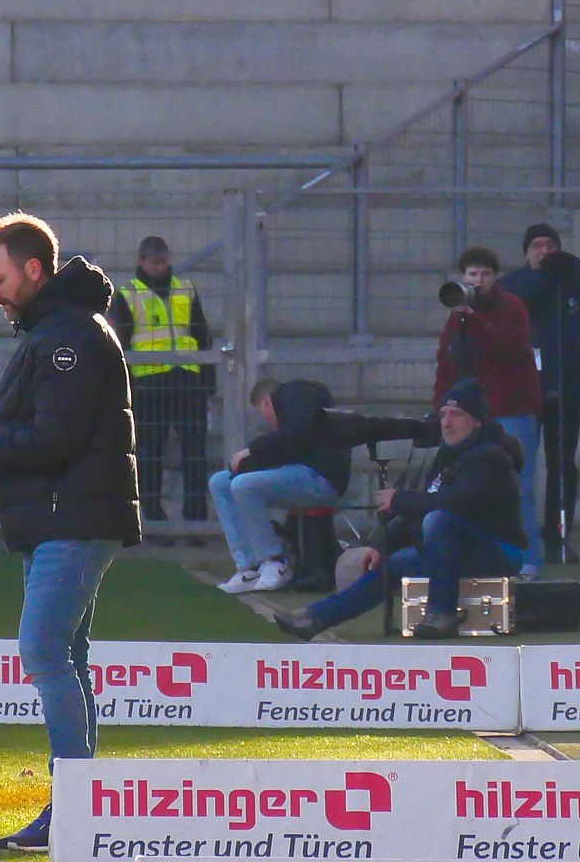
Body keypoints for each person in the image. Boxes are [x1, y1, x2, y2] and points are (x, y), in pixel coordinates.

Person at [0, 213, 139, 854]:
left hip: (73, 521)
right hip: (61, 517)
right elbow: (49, 440)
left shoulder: (68, 336)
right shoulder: (58, 330)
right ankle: (81, 803)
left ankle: (70, 806)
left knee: (44, 651)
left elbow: (56, 439)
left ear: (34, 270)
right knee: (67, 656)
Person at [273, 380, 526, 640]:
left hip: (499, 551)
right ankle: (315, 617)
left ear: (478, 421)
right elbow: (422, 511)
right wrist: (381, 545)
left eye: (457, 415)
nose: (447, 423)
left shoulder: (491, 458)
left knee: (439, 520)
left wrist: (399, 500)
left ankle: (441, 614)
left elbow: (453, 505)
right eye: (443, 415)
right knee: (392, 564)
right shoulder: (451, 455)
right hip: (456, 550)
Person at [500, 222, 580, 564]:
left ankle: (558, 535)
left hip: (567, 387)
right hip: (525, 391)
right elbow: (520, 302)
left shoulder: (572, 277)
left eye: (551, 245)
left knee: (562, 465)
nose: (545, 251)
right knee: (520, 465)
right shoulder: (515, 282)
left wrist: (573, 265)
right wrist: (544, 275)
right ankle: (519, 535)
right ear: (527, 252)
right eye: (537, 246)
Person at [434, 245, 544, 577]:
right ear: (462, 277)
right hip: (470, 416)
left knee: (519, 486)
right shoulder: (456, 315)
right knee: (465, 486)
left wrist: (473, 319)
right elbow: (446, 362)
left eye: (485, 274)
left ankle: (529, 560)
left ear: (495, 278)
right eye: (472, 274)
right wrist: (440, 409)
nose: (478, 281)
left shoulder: (511, 307)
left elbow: (507, 348)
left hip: (511, 408)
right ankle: (477, 558)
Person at [106, 237, 214, 526]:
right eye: (154, 263)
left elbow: (202, 334)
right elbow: (119, 344)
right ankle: (154, 519)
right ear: (141, 261)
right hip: (148, 385)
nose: (159, 268)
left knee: (195, 455)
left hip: (187, 382)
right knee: (149, 455)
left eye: (163, 262)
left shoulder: (185, 289)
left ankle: (196, 520)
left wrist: (207, 380)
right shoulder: (127, 294)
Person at [209, 377, 347, 595]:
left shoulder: (293, 396)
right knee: (220, 483)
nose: (267, 421)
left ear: (266, 402)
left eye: (262, 413)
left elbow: (295, 434)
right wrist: (247, 463)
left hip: (321, 478)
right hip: (302, 472)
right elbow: (288, 447)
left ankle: (274, 561)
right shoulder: (297, 410)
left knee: (243, 485)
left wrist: (250, 451)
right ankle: (249, 567)